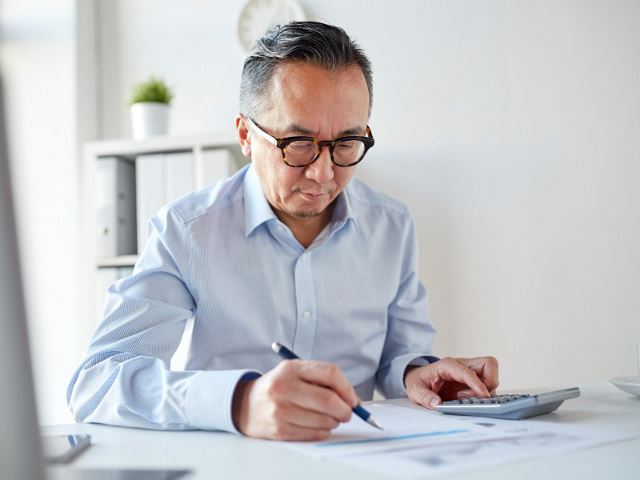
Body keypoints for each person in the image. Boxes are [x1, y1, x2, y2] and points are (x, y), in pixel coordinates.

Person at [67, 21, 498, 441]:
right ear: (245, 135)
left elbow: (396, 354)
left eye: (347, 142)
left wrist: (415, 372)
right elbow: (96, 383)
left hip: (357, 458)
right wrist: (239, 401)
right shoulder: (187, 231)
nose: (323, 173)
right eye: (298, 144)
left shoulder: (392, 225)